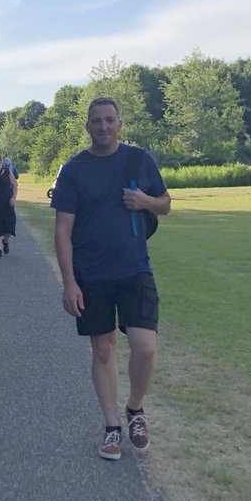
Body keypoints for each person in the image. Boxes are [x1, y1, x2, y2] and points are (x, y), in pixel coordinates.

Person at [51, 97, 171, 461]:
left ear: (120, 124)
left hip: (134, 268)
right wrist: (69, 282)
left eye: (109, 120)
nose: (103, 126)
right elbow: (62, 230)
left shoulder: (139, 159)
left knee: (145, 346)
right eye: (96, 120)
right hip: (91, 274)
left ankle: (134, 409)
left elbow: (166, 203)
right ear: (87, 126)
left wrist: (145, 201)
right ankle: (111, 426)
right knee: (103, 350)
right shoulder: (74, 170)